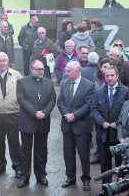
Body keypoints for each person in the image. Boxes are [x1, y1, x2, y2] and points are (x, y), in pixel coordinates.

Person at [15, 60, 56, 188]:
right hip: (27, 120)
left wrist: (44, 112)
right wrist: (34, 112)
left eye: (42, 69)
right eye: (38, 69)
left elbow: (52, 99)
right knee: (25, 151)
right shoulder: (22, 82)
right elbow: (21, 99)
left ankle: (41, 175)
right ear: (31, 69)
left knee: (41, 151)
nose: (41, 71)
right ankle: (24, 176)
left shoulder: (49, 83)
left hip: (43, 121)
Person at [57, 61, 95, 191]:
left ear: (77, 71)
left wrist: (74, 115)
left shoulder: (89, 85)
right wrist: (67, 114)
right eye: (66, 70)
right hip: (67, 125)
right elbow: (60, 101)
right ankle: (70, 177)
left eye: (68, 71)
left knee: (84, 154)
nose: (65, 73)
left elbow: (88, 105)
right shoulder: (64, 83)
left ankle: (86, 179)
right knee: (68, 153)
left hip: (82, 126)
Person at [0, 52, 23, 178]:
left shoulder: (16, 75)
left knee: (14, 141)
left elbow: (23, 92)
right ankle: (1, 165)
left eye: (4, 60)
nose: (2, 63)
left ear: (8, 61)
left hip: (13, 113)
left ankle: (17, 166)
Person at [91, 66, 129, 184]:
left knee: (120, 164)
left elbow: (127, 110)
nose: (110, 78)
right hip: (103, 134)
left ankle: (119, 186)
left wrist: (117, 123)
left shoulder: (125, 91)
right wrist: (102, 122)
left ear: (117, 76)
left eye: (112, 75)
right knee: (104, 163)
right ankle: (106, 187)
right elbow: (94, 109)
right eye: (107, 76)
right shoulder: (99, 92)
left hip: (118, 134)